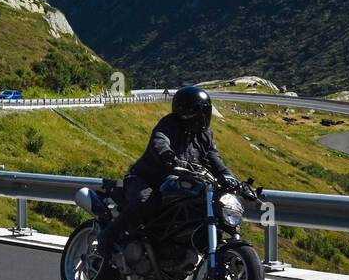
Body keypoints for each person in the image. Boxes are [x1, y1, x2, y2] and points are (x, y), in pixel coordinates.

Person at [95, 86, 241, 256]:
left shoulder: (205, 135)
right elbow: (160, 141)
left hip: (182, 183)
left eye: (204, 111)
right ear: (183, 110)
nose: (201, 116)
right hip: (147, 179)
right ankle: (109, 236)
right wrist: (169, 157)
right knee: (146, 200)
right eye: (196, 111)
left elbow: (215, 159)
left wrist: (229, 177)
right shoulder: (170, 124)